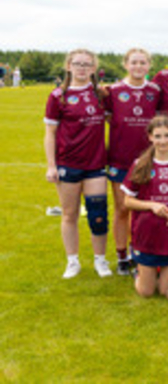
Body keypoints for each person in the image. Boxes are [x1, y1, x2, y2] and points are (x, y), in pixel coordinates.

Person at [44, 49, 112, 278]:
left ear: (93, 68)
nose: (82, 68)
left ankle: (100, 260)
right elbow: (50, 133)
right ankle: (72, 261)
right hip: (67, 164)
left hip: (95, 166)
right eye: (77, 64)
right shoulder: (58, 96)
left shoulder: (101, 94)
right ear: (69, 66)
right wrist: (51, 165)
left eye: (86, 64)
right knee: (69, 214)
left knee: (98, 214)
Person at [121, 115, 168, 297]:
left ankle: (159, 272)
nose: (163, 141)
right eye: (158, 136)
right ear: (150, 137)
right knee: (146, 292)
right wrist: (152, 205)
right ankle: (139, 271)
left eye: (167, 136)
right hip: (147, 233)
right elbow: (127, 201)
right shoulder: (140, 164)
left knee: (165, 291)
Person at [104, 48, 161, 275]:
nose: (138, 66)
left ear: (149, 66)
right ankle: (122, 257)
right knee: (122, 208)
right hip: (120, 158)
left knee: (144, 210)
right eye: (134, 62)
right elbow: (109, 118)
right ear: (125, 64)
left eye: (143, 62)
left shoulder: (155, 91)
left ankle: (140, 253)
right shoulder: (114, 91)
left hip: (148, 159)